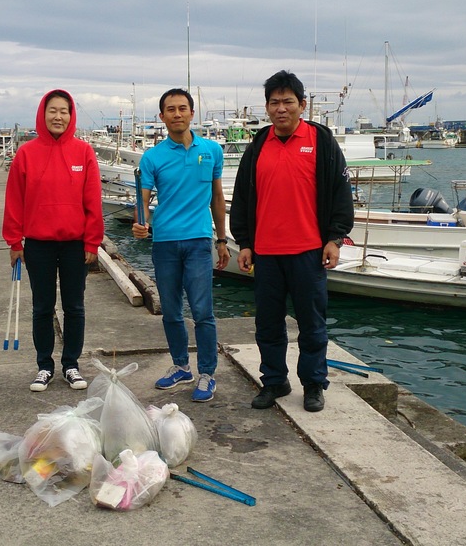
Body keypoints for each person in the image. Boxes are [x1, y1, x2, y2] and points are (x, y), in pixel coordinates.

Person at [230, 71, 354, 413]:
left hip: (309, 252)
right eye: (274, 102)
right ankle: (274, 381)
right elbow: (242, 197)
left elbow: (341, 193)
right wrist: (244, 242)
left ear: (302, 104)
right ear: (267, 107)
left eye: (288, 102)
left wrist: (335, 238)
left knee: (312, 324)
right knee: (268, 324)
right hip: (267, 253)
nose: (281, 109)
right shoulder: (258, 146)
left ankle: (313, 383)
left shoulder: (322, 141)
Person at [132, 88, 229, 402]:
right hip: (165, 243)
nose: (177, 113)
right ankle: (181, 366)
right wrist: (140, 223)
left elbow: (217, 197)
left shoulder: (212, 150)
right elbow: (143, 200)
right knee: (171, 311)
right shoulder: (152, 157)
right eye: (170, 109)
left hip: (200, 241)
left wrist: (222, 239)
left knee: (203, 311)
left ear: (192, 113)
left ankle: (207, 373)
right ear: (162, 117)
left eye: (182, 108)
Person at [3, 89, 103, 392]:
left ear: (71, 116)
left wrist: (92, 242)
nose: (58, 116)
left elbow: (92, 201)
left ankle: (71, 364)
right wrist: (14, 242)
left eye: (64, 111)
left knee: (74, 307)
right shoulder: (26, 153)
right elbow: (14, 200)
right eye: (53, 111)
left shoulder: (83, 152)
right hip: (38, 244)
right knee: (42, 308)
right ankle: (44, 365)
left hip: (75, 245)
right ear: (42, 114)